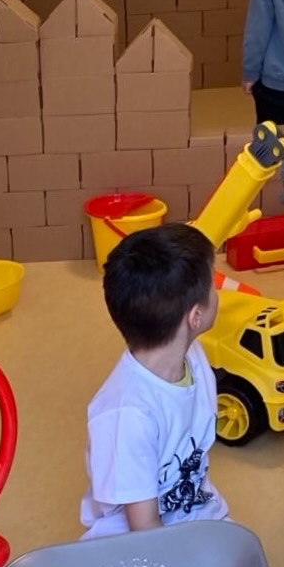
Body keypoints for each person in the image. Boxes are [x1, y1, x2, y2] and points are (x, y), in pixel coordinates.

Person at [80, 223, 228, 539]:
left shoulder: (193, 356)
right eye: (213, 285)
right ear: (195, 317)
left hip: (196, 510)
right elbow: (144, 530)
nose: (218, 293)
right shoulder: (125, 416)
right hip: (135, 541)